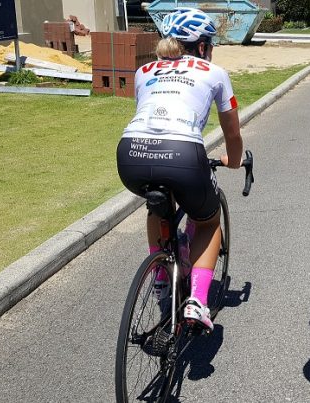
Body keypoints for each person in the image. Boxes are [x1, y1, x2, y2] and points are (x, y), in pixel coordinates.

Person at [116, 8, 243, 332]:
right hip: (182, 153)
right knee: (209, 221)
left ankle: (161, 276)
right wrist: (234, 160)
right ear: (202, 46)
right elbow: (232, 133)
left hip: (130, 153)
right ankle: (197, 301)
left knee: (157, 206)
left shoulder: (144, 71)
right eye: (210, 44)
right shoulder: (214, 72)